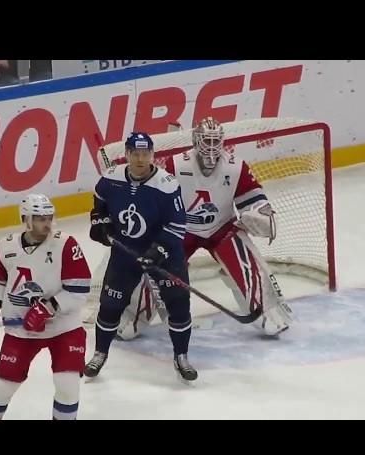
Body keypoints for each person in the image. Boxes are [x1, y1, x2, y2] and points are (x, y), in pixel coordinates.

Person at [117, 117, 295, 341]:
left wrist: (262, 212)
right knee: (151, 265)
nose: (211, 147)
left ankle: (267, 311)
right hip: (181, 229)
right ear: (195, 141)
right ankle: (132, 314)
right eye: (206, 141)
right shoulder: (175, 164)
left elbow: (253, 197)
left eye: (215, 141)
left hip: (222, 227)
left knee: (246, 262)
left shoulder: (235, 166)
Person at [0, 194, 91, 420]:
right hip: (21, 329)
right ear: (26, 219)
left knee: (67, 385)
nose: (47, 223)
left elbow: (79, 289)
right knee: (3, 387)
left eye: (49, 217)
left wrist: (49, 308)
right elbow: (0, 286)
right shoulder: (5, 247)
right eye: (40, 218)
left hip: (64, 327)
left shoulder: (65, 244)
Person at [84, 132, 197, 382]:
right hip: (125, 252)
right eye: (135, 153)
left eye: (145, 154)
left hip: (165, 255)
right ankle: (100, 353)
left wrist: (157, 251)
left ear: (152, 155)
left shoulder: (167, 184)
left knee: (178, 306)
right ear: (126, 154)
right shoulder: (111, 178)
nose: (140, 159)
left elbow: (178, 226)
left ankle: (181, 357)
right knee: (110, 305)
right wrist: (100, 223)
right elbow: (98, 202)